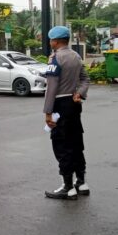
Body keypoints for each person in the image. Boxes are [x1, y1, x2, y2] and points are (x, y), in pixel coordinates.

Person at [43, 26, 91, 200]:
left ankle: (68, 187)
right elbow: (85, 79)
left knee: (62, 145)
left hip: (60, 104)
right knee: (76, 143)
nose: (50, 43)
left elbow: (51, 87)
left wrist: (47, 112)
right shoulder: (76, 56)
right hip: (74, 103)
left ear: (55, 41)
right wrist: (80, 92)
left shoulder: (55, 58)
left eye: (51, 40)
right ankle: (81, 182)